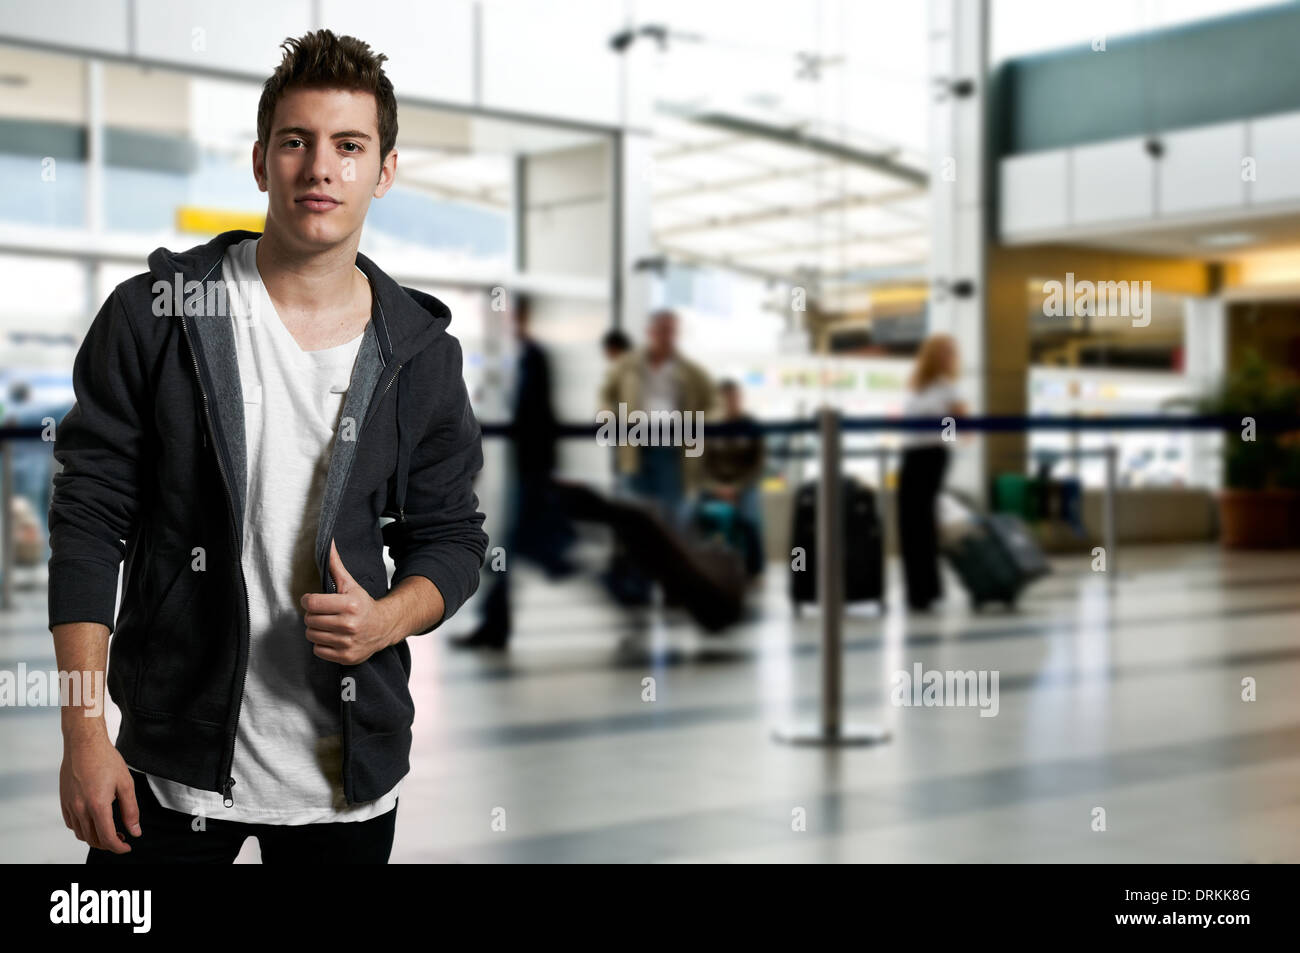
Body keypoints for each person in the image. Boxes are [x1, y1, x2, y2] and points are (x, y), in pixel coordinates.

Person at [47, 29, 488, 864]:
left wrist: (387, 618)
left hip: (346, 778)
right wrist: (82, 733)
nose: (321, 168)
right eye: (297, 142)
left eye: (349, 146)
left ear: (383, 171)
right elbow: (87, 525)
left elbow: (454, 539)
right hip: (164, 766)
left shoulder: (422, 354)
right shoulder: (157, 315)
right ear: (261, 161)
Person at [453, 295, 572, 650]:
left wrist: (548, 471)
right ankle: (496, 624)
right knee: (510, 546)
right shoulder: (504, 360)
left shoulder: (534, 358)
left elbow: (545, 416)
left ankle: (495, 625)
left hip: (526, 470)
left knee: (508, 546)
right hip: (506, 469)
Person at [598, 310, 713, 605]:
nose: (666, 335)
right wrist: (610, 416)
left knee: (674, 521)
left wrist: (700, 425)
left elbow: (714, 403)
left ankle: (675, 586)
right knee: (638, 520)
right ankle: (638, 586)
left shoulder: (690, 371)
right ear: (650, 332)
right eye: (661, 329)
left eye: (671, 330)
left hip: (673, 452)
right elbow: (605, 394)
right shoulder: (628, 365)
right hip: (636, 449)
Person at [897, 332, 967, 612]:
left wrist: (943, 437)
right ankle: (917, 588)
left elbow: (959, 423)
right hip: (912, 454)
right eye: (944, 351)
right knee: (909, 522)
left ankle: (926, 590)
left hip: (932, 455)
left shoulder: (947, 388)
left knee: (922, 521)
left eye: (952, 352)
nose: (949, 357)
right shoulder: (917, 386)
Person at [699, 379, 766, 578]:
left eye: (734, 398)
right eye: (726, 398)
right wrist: (716, 487)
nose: (731, 402)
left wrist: (735, 488)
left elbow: (758, 465)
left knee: (749, 519)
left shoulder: (752, 426)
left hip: (744, 485)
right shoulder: (709, 427)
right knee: (688, 512)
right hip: (714, 486)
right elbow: (700, 464)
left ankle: (754, 570)